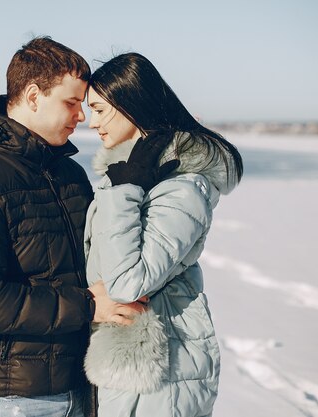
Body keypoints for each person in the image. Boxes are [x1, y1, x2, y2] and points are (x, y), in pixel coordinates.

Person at [0, 37, 144, 417]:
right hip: (18, 396)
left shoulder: (68, 173)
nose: (82, 117)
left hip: (82, 382)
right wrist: (91, 305)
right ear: (32, 96)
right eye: (71, 103)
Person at [83, 52, 243, 417]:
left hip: (160, 376)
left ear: (132, 106)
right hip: (127, 369)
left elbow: (126, 284)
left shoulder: (183, 189)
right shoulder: (136, 178)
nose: (92, 123)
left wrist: (125, 189)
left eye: (100, 109)